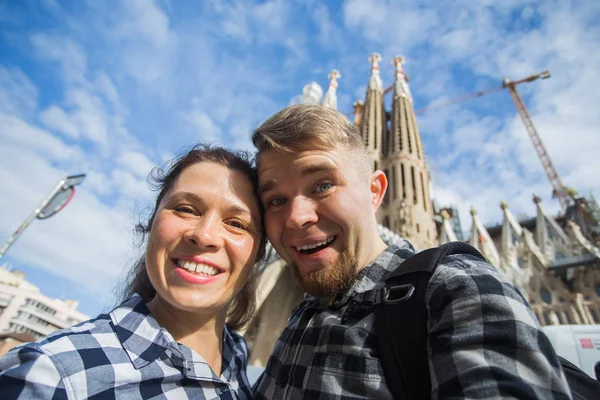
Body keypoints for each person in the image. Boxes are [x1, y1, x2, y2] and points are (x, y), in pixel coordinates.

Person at [251, 104, 572, 399]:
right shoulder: (304, 315)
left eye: (322, 185)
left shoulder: (453, 289)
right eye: (276, 200)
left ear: (374, 192)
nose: (296, 217)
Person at [0, 145, 266, 399]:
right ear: (152, 223)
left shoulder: (242, 364)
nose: (204, 235)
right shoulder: (50, 374)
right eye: (186, 209)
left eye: (236, 223)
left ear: (259, 253)